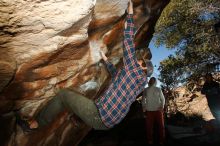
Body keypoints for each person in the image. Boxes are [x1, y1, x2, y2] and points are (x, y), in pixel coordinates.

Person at [16, 0, 150, 132]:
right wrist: (105, 60)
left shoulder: (136, 73)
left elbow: (128, 42)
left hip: (100, 115)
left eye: (142, 62)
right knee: (83, 101)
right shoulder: (136, 82)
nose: (139, 61)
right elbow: (116, 75)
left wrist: (130, 14)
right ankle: (78, 118)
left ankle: (35, 124)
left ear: (144, 70)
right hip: (106, 120)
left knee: (63, 96)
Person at [142, 77, 165, 145]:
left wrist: (162, 106)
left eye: (153, 80)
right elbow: (143, 100)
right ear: (149, 81)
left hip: (158, 110)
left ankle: (161, 141)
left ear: (155, 81)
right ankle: (150, 140)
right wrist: (144, 108)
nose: (152, 81)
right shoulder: (146, 90)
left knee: (161, 126)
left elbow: (163, 99)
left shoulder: (158, 89)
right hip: (149, 110)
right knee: (149, 127)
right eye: (151, 80)